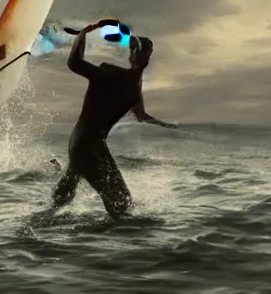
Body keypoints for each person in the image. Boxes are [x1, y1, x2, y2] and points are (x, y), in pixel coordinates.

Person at [46, 19, 176, 219]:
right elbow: (74, 63)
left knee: (66, 194)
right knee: (121, 204)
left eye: (143, 49)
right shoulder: (111, 73)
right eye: (134, 48)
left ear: (148, 56)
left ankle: (36, 226)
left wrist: (168, 126)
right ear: (132, 54)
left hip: (89, 143)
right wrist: (82, 36)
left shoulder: (135, 89)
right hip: (87, 144)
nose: (138, 52)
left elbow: (141, 116)